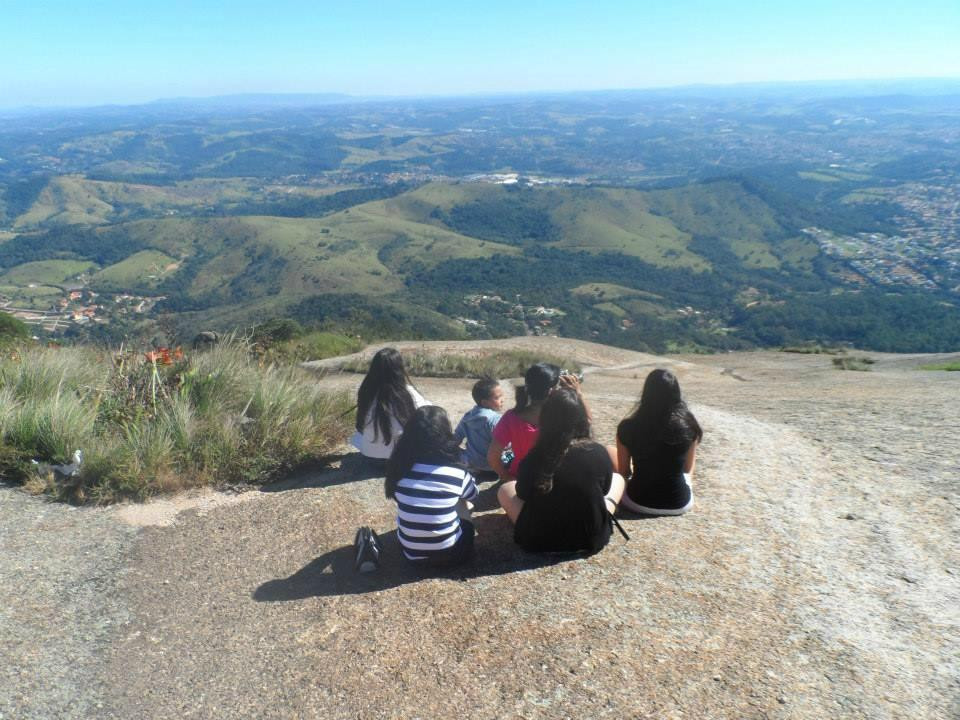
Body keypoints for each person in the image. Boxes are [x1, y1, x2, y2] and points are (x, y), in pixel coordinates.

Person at [497, 388, 625, 554]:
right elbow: (605, 490)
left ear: (545, 419)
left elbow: (522, 494)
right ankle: (603, 518)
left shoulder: (535, 456)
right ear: (582, 418)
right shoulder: (598, 451)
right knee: (618, 479)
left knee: (505, 489)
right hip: (591, 538)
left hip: (539, 540)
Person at [386, 406, 479, 565]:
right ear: (445, 435)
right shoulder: (455, 473)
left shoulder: (398, 469)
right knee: (462, 501)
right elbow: (473, 495)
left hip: (411, 555)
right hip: (452, 555)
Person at [615, 369, 702, 515]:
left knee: (610, 451)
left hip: (636, 502)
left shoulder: (627, 427)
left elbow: (624, 472)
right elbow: (687, 470)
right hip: (679, 504)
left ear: (646, 393)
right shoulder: (688, 425)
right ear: (676, 394)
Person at [351, 348, 428, 464]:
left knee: (358, 437)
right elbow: (427, 413)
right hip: (401, 459)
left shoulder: (366, 392)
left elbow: (360, 427)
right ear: (399, 369)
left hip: (371, 458)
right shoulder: (408, 393)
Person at [487, 362, 561, 482]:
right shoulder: (562, 416)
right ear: (552, 391)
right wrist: (577, 393)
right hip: (552, 478)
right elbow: (586, 433)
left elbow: (492, 456)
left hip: (520, 476)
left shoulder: (511, 417)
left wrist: (507, 477)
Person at [454, 377, 504, 476]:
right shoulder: (495, 420)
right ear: (484, 402)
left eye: (502, 396)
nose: (502, 400)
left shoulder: (468, 416)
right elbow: (505, 445)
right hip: (493, 466)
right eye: (497, 398)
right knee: (517, 451)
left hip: (473, 462)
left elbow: (456, 438)